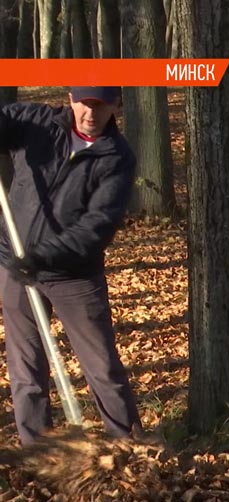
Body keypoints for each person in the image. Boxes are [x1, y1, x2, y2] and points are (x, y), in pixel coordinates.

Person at [0, 86, 142, 446]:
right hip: (14, 265)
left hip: (74, 276)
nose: (90, 114)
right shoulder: (37, 122)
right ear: (70, 98)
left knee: (102, 367)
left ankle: (130, 450)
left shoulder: (116, 157)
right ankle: (39, 453)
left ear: (115, 106)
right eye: (84, 103)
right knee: (25, 369)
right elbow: (5, 124)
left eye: (101, 105)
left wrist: (43, 256)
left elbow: (97, 226)